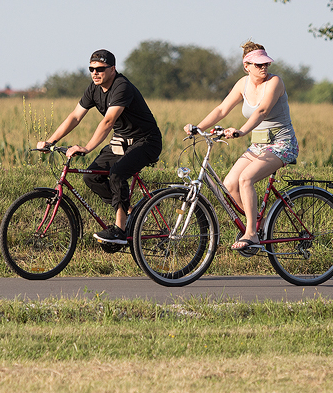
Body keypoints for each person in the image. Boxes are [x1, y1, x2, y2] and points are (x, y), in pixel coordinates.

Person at [37, 49, 162, 245]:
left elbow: (108, 121)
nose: (95, 73)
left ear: (113, 69)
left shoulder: (122, 86)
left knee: (117, 173)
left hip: (146, 141)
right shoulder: (94, 88)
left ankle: (120, 231)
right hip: (121, 141)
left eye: (100, 69)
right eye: (91, 69)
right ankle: (130, 213)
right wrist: (51, 141)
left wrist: (87, 148)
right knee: (91, 176)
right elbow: (75, 116)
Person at [184, 41, 298, 253]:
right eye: (258, 65)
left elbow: (262, 110)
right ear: (246, 66)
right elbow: (221, 109)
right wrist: (198, 127)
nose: (264, 68)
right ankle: (259, 225)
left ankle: (251, 234)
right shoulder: (242, 84)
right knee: (230, 183)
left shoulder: (275, 82)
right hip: (259, 146)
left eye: (266, 64)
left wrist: (242, 131)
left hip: (282, 144)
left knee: (246, 179)